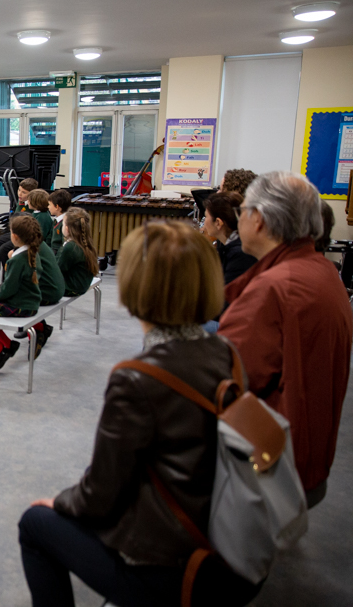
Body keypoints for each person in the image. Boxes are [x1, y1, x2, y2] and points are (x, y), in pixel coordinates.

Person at [19, 221, 260, 607]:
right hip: (228, 543)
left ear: (136, 287)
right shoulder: (226, 353)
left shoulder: (137, 378)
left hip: (169, 566)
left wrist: (60, 503)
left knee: (35, 523)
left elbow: (98, 496)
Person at [218, 171, 352, 507]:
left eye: (242, 210)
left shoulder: (274, 289)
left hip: (273, 459)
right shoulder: (323, 270)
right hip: (310, 454)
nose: (239, 218)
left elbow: (227, 379)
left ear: (259, 220)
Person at [0, 215, 42, 373]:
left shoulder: (16, 261)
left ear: (15, 236)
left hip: (20, 305)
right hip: (32, 301)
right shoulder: (33, 253)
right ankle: (0, 352)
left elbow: (8, 287)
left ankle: (9, 345)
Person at [201, 192, 257, 286]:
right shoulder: (232, 246)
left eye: (206, 216)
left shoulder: (240, 254)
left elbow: (227, 295)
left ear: (218, 223)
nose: (204, 222)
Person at [0, 178, 38, 279]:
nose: (20, 194)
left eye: (24, 192)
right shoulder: (20, 203)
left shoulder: (32, 206)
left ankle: (9, 275)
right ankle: (4, 271)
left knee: (4, 248)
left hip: (24, 235)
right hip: (17, 232)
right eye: (19, 190)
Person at [57, 208, 99, 297]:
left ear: (67, 229)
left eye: (63, 224)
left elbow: (58, 269)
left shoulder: (71, 247)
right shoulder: (84, 241)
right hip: (82, 284)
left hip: (72, 288)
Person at [47, 189, 71, 255]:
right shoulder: (56, 220)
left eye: (49, 204)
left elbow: (63, 245)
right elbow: (49, 237)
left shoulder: (64, 223)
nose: (48, 207)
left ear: (57, 207)